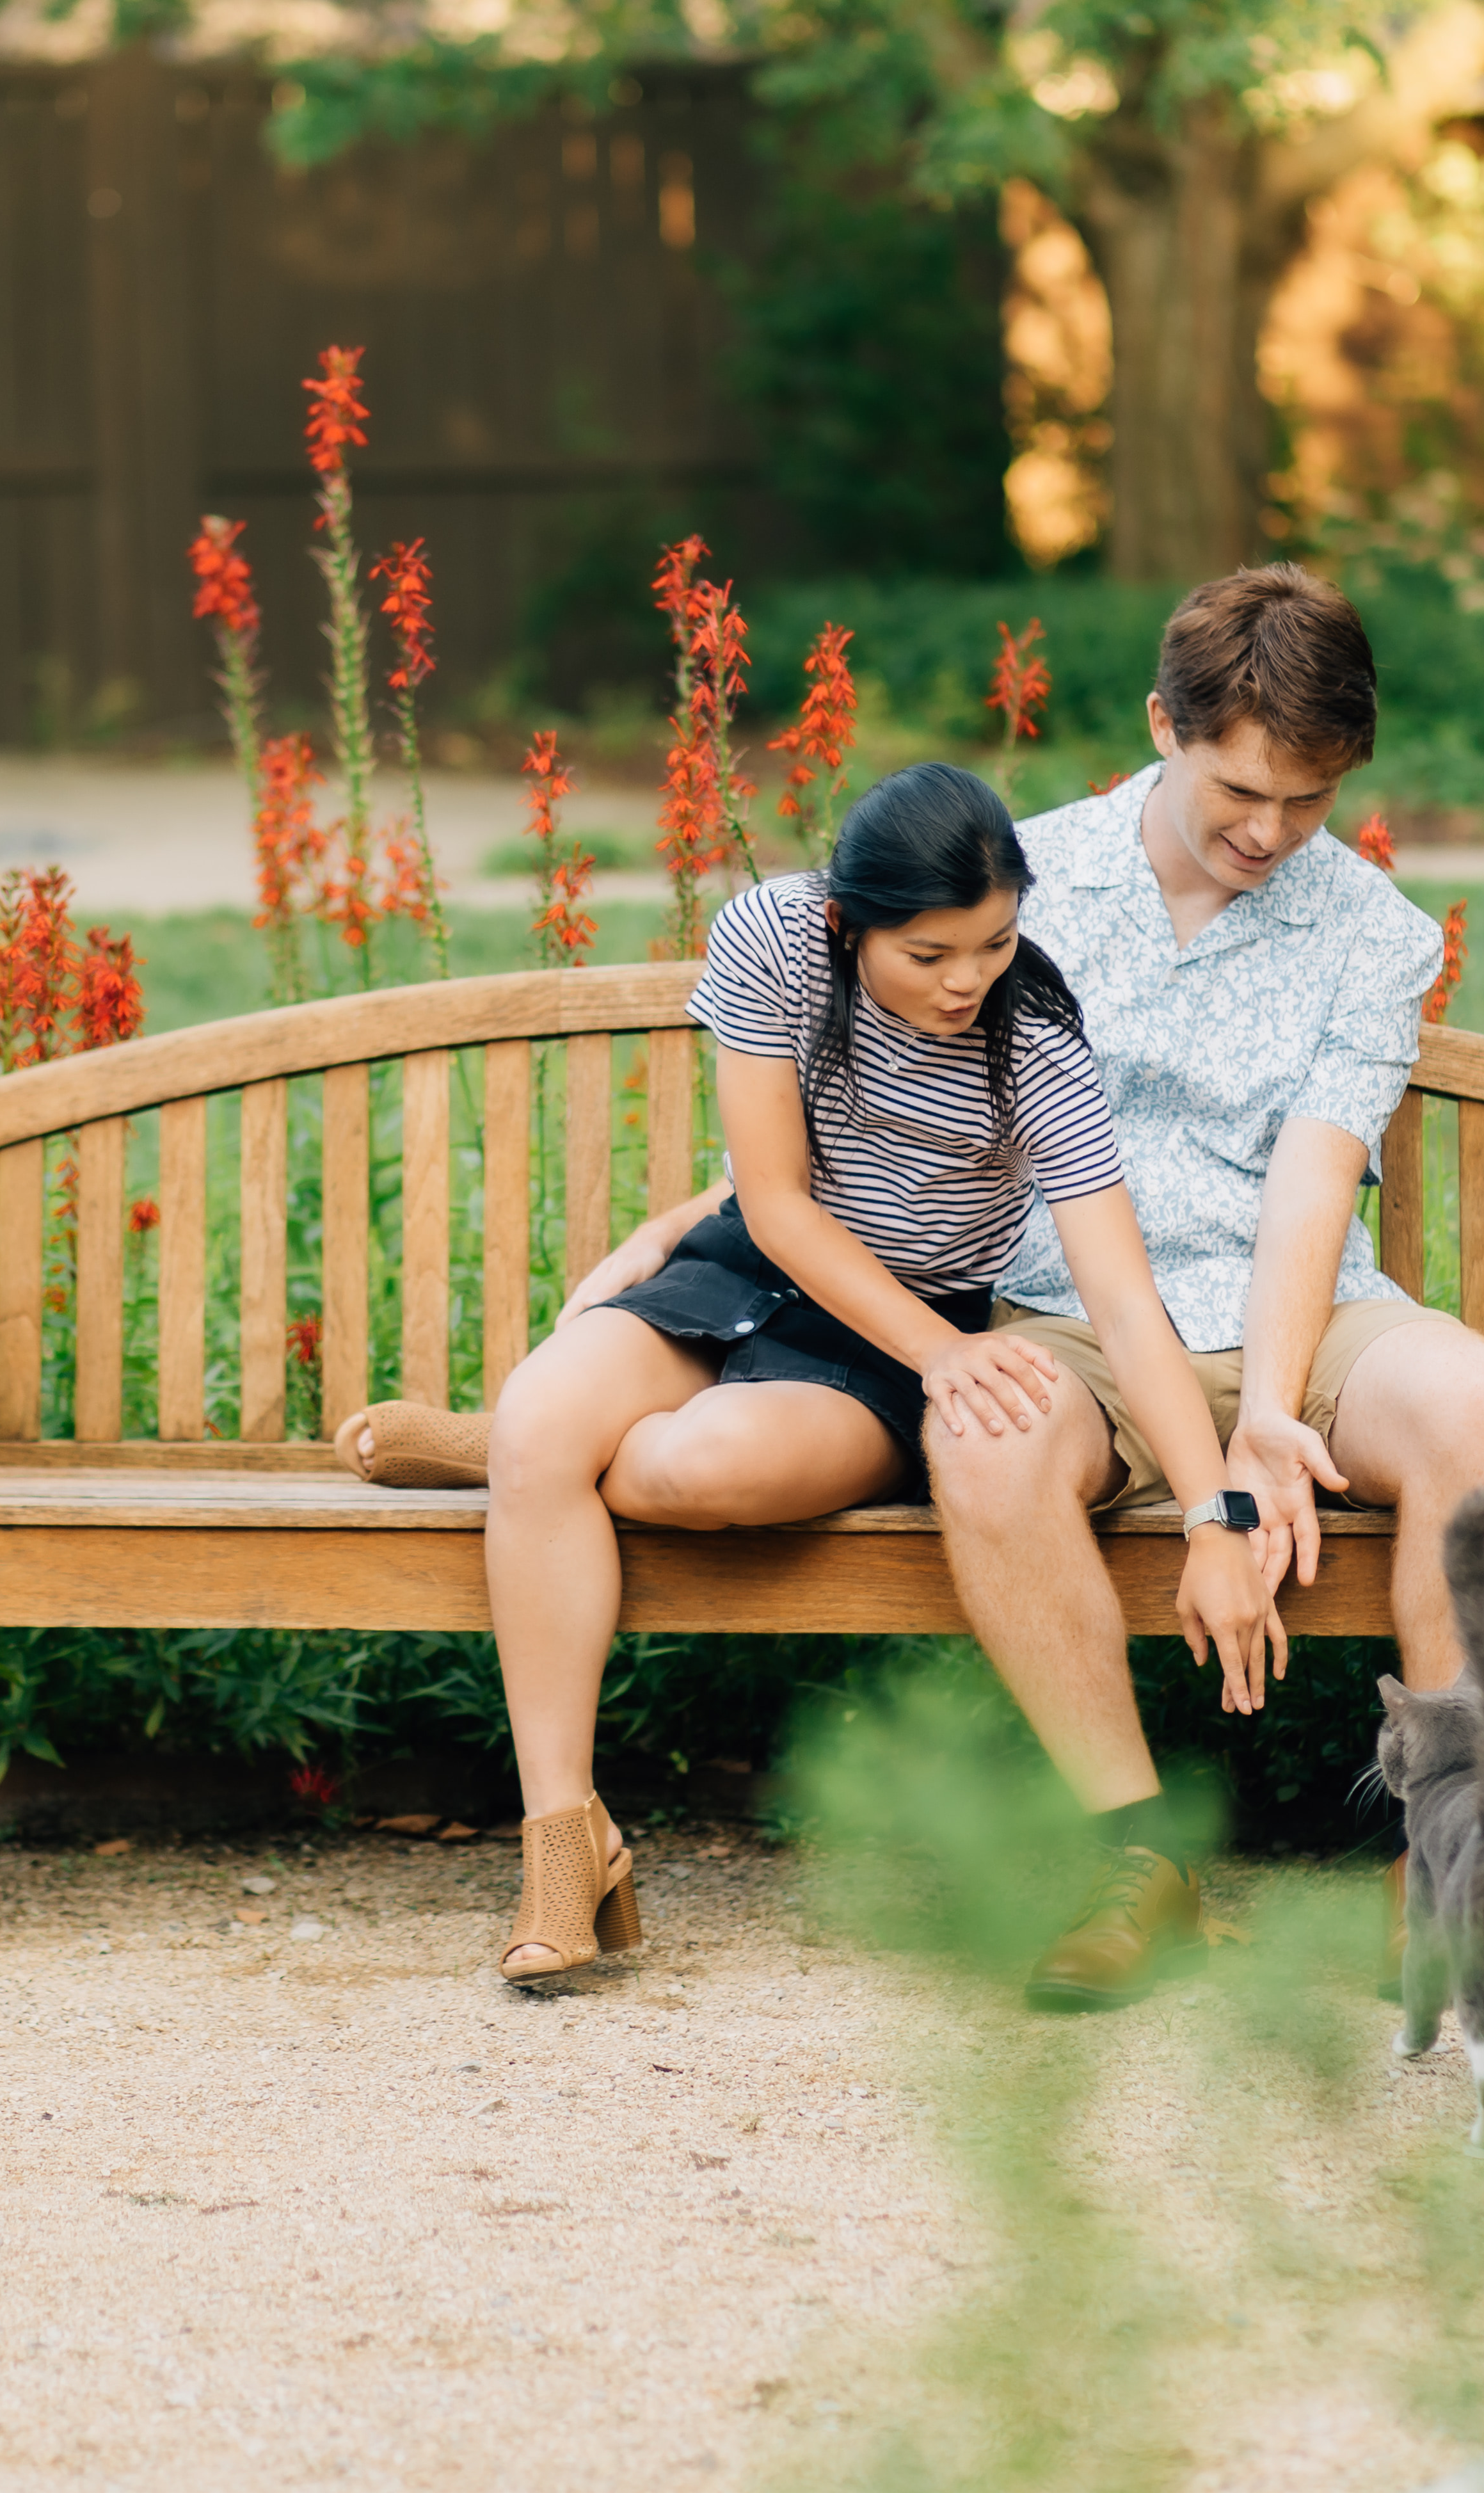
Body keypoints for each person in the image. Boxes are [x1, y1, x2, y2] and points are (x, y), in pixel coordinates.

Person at [461, 761, 1281, 1987]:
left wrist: (1216, 1512)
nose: (965, 981)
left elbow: (1121, 1301)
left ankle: (504, 1459)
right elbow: (777, 1203)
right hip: (756, 1264)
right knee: (539, 1427)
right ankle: (566, 1845)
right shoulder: (775, 939)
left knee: (676, 1464)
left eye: (993, 944)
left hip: (897, 1338)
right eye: (927, 953)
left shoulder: (1038, 1046)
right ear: (849, 923)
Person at [935, 563, 1484, 2012]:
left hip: (1307, 1316)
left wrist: (1266, 1414)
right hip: (1073, 1316)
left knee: (1474, 1409)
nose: (1270, 832)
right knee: (984, 1435)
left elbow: (1309, 1188)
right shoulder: (1019, 884)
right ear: (1162, 724)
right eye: (1236, 792)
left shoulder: (1370, 932)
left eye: (1310, 797)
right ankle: (1136, 1861)